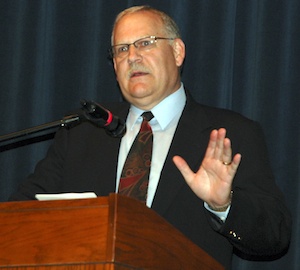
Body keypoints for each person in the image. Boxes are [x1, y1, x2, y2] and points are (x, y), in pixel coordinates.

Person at [9, 5, 291, 269]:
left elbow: (274, 236)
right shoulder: (82, 131)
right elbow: (19, 216)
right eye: (121, 49)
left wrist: (223, 205)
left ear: (178, 52)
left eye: (145, 43)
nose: (132, 56)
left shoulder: (230, 133)